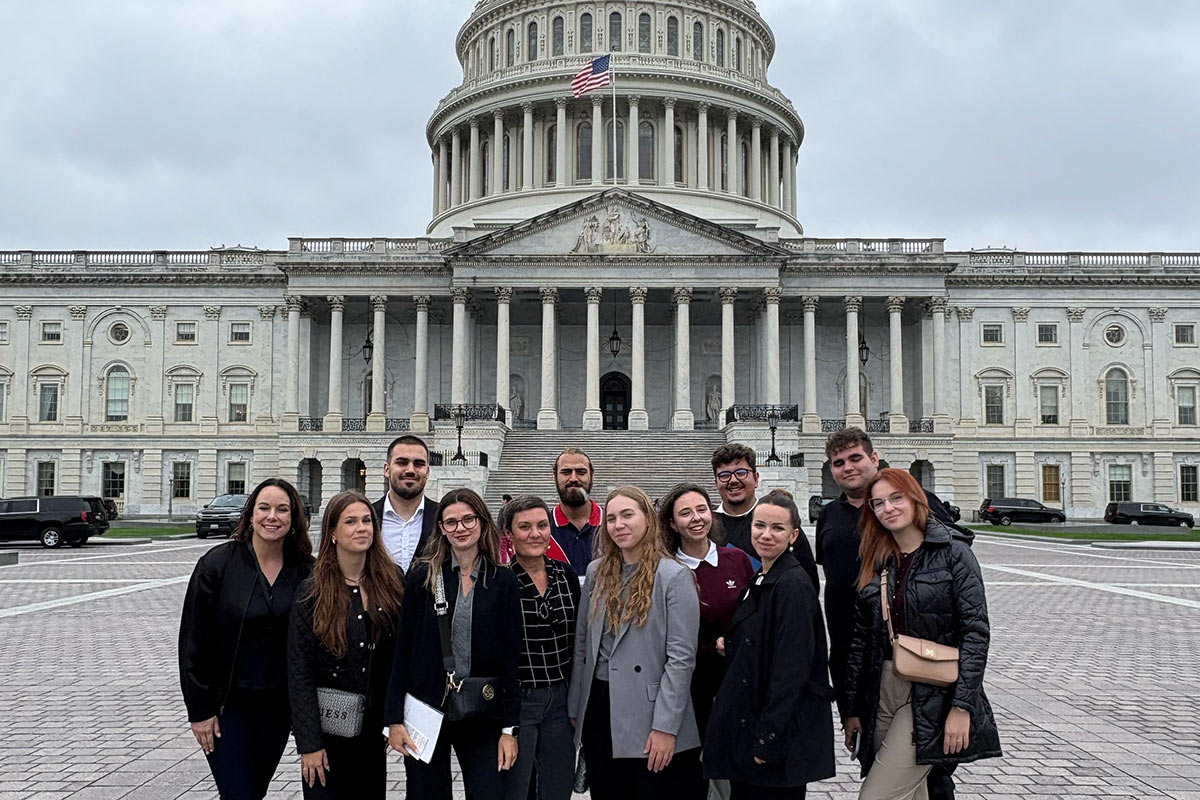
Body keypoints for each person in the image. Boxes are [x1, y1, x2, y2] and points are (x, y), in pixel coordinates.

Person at [814, 428, 963, 800]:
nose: (848, 468)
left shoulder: (915, 504)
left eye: (855, 458)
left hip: (917, 661)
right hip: (857, 660)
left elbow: (955, 582)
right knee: (882, 762)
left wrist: (962, 700)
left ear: (875, 458)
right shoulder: (830, 514)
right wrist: (847, 702)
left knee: (927, 772)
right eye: (839, 463)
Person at [843, 469, 1001, 800]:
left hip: (933, 688)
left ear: (915, 497)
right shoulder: (877, 558)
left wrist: (962, 708)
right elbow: (862, 640)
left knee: (876, 795)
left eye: (896, 498)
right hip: (883, 686)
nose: (888, 508)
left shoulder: (954, 553)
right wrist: (853, 710)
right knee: (914, 794)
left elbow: (975, 633)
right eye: (878, 503)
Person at [179, 477, 315, 800]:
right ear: (250, 514)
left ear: (294, 518)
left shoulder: (306, 570)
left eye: (283, 509)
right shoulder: (217, 565)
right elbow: (193, 641)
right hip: (228, 708)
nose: (272, 516)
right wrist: (199, 710)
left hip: (278, 709)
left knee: (253, 792)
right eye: (264, 508)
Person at [384, 488, 522, 800]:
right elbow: (402, 648)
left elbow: (512, 658)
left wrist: (509, 728)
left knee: (489, 791)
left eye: (468, 520)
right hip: (427, 707)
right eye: (451, 522)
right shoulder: (423, 575)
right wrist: (393, 718)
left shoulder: (502, 580)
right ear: (442, 529)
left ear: (482, 523)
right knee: (426, 794)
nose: (460, 528)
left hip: (481, 707)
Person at [568, 486, 702, 800]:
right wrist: (577, 706)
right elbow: (583, 645)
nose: (619, 525)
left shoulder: (674, 576)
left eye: (628, 515)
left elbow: (681, 659)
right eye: (611, 518)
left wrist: (666, 727)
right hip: (601, 707)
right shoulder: (597, 572)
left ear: (647, 519)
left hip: (651, 710)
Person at [704, 490, 836, 799]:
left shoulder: (792, 584)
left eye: (777, 528)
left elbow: (793, 668)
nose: (766, 534)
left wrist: (768, 737)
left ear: (793, 536)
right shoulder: (763, 576)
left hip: (773, 736)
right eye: (759, 525)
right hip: (751, 724)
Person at [288, 491, 405, 798]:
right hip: (328, 730)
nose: (361, 528)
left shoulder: (392, 581)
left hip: (371, 730)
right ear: (333, 533)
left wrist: (393, 718)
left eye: (367, 520)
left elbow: (399, 658)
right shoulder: (312, 591)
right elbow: (299, 672)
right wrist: (309, 744)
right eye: (350, 521)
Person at [657, 483, 754, 757]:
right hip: (688, 684)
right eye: (685, 513)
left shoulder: (736, 559)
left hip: (735, 677)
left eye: (702, 509)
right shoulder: (665, 569)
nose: (696, 518)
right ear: (673, 524)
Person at [505, 495, 582, 800]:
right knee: (517, 786)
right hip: (520, 698)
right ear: (509, 535)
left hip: (560, 698)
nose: (535, 534)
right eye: (524, 527)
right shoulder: (501, 580)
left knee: (557, 784)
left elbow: (577, 637)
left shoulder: (565, 575)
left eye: (541, 525)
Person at [711, 443, 818, 588]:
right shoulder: (707, 527)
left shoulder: (782, 524)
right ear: (716, 483)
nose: (733, 480)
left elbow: (808, 583)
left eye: (741, 472)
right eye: (724, 475)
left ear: (756, 478)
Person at [373, 434, 439, 571]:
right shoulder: (368, 516)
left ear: (427, 472)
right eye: (402, 462)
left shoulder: (442, 517)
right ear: (386, 469)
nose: (410, 470)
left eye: (418, 464)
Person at [548, 448, 598, 574]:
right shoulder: (541, 529)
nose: (573, 478)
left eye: (581, 472)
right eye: (566, 472)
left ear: (591, 475)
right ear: (555, 476)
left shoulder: (613, 525)